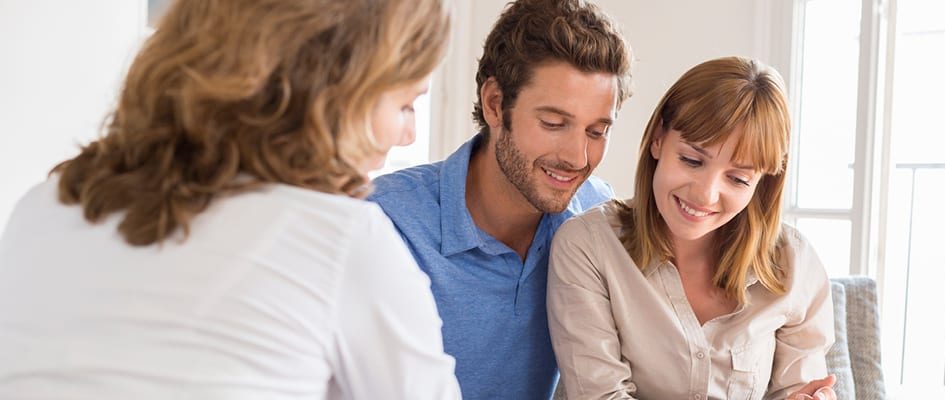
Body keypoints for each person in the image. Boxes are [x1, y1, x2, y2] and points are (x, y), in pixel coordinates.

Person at [0, 0, 460, 399]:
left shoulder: (44, 206)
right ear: (330, 94)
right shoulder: (340, 239)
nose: (408, 135)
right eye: (404, 105)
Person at [366, 0, 632, 398]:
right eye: (554, 123)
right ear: (494, 104)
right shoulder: (386, 223)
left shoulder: (598, 220)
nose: (578, 158)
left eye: (597, 132)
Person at [546, 56, 838, 400]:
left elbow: (797, 390)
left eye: (738, 178)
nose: (705, 194)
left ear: (762, 182)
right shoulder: (589, 246)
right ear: (658, 139)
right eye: (692, 160)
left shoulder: (794, 265)